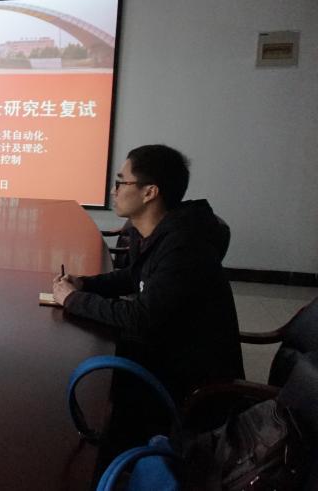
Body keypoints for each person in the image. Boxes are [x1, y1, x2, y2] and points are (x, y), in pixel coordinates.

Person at [51, 144, 243, 458]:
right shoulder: (160, 233)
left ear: (150, 192)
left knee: (90, 386)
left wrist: (73, 299)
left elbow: (142, 318)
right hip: (164, 352)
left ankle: (115, 463)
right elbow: (133, 276)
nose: (113, 191)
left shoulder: (183, 247)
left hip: (188, 381)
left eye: (120, 182)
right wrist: (86, 284)